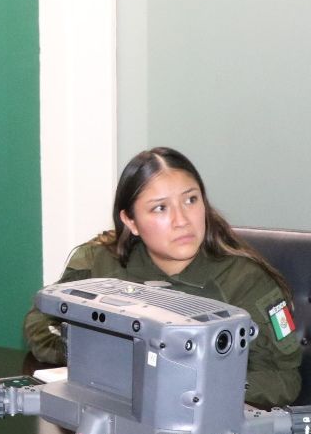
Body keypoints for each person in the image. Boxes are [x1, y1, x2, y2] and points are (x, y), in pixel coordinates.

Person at [24, 147, 302, 408]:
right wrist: (90, 355)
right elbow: (41, 321)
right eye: (160, 208)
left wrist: (196, 387)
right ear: (130, 221)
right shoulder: (100, 263)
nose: (182, 220)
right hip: (110, 416)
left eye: (191, 200)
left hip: (206, 426)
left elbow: (283, 378)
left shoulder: (247, 282)